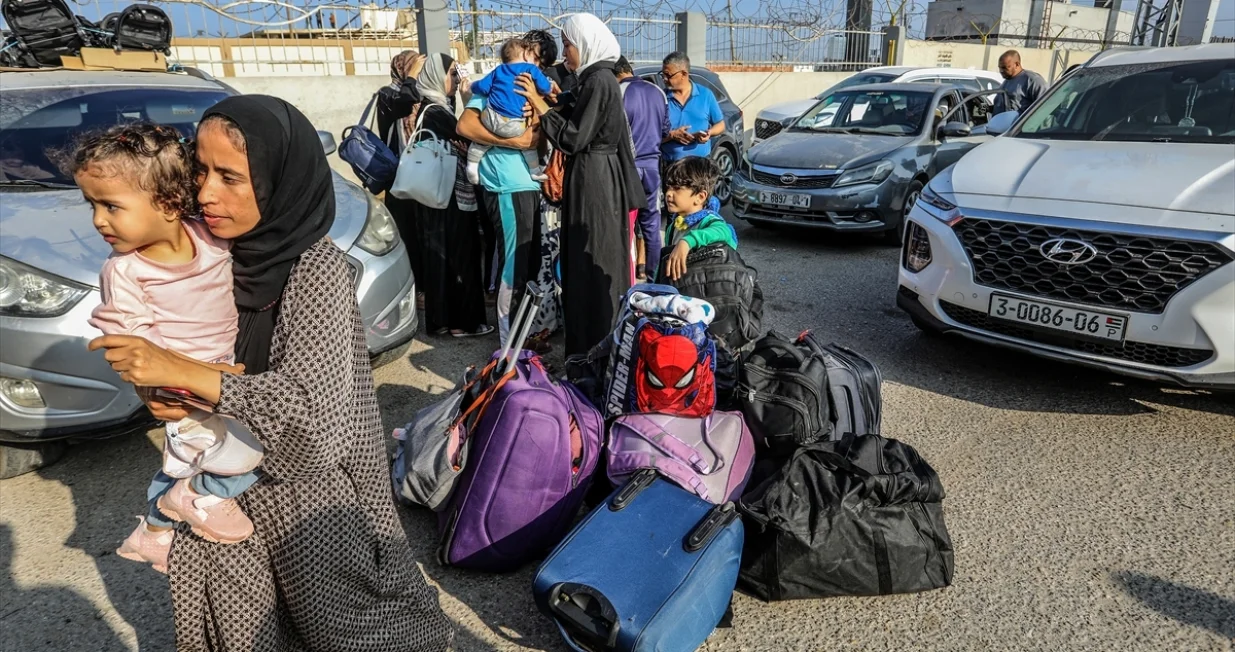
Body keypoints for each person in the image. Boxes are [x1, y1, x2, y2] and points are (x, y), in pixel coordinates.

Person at [88, 96, 455, 651]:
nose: (205, 193)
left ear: (279, 177)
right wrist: (159, 389)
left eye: (231, 177)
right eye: (200, 171)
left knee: (347, 630)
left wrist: (187, 375)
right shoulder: (217, 250)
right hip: (224, 487)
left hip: (309, 499)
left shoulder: (316, 269)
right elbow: (171, 343)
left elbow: (314, 419)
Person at [69, 123, 263, 574]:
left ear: (170, 203)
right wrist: (162, 384)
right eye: (93, 205)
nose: (98, 220)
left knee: (199, 458)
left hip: (224, 376)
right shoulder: (126, 272)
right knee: (245, 452)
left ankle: (155, 532)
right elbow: (132, 340)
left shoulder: (211, 238)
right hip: (184, 385)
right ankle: (200, 499)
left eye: (111, 205)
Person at [517, 13, 646, 357]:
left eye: (569, 45)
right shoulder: (594, 80)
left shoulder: (600, 80)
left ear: (586, 45)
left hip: (595, 181)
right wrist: (559, 102)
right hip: (593, 175)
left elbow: (573, 137)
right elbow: (579, 117)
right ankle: (589, 350)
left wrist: (539, 104)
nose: (565, 55)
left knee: (592, 259)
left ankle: (593, 352)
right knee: (584, 260)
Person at [389, 53, 492, 337]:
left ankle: (442, 321)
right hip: (450, 198)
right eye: (452, 74)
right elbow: (469, 135)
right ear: (437, 76)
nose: (456, 80)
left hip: (435, 195)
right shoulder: (435, 111)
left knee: (439, 257)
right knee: (460, 255)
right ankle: (463, 323)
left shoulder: (430, 108)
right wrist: (469, 98)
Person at [458, 61, 544, 346]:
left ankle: (522, 338)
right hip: (506, 187)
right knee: (513, 267)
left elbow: (539, 137)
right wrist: (515, 141)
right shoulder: (495, 86)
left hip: (530, 185)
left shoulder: (531, 90)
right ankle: (509, 343)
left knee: (529, 265)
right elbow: (466, 126)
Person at [465, 39, 553, 185]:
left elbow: (481, 86)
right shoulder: (530, 70)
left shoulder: (498, 71)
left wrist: (471, 85)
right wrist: (546, 91)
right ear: (525, 53)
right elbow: (545, 87)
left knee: (479, 143)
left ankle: (473, 165)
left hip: (491, 119)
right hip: (515, 129)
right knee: (528, 144)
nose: (537, 65)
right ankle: (535, 171)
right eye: (536, 58)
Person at [615, 55, 669, 281]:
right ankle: (653, 277)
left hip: (628, 168)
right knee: (652, 227)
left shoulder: (619, 92)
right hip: (652, 167)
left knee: (625, 227)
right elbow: (666, 130)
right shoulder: (658, 91)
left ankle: (626, 283)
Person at [377, 50, 426, 296]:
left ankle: (423, 286)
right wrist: (413, 77)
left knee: (422, 232)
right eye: (413, 66)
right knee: (407, 233)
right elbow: (405, 103)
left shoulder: (416, 93)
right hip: (399, 173)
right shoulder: (390, 94)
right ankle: (412, 288)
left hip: (418, 172)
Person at [661, 156, 736, 281]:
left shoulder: (708, 220)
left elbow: (724, 231)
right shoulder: (675, 224)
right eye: (668, 187)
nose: (668, 193)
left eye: (677, 188)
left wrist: (688, 241)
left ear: (700, 197)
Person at [660, 51, 725, 165]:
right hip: (671, 166)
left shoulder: (705, 95)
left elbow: (720, 125)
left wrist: (709, 133)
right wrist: (672, 135)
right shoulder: (661, 98)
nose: (664, 79)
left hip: (700, 166)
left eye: (668, 75)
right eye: (663, 75)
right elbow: (651, 137)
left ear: (684, 74)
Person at [994, 50, 1047, 115]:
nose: (1001, 71)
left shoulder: (1032, 80)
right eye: (1000, 68)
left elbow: (1045, 106)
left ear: (1017, 64)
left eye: (1005, 67)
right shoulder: (1006, 83)